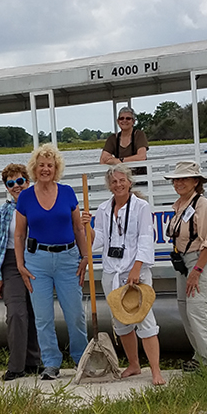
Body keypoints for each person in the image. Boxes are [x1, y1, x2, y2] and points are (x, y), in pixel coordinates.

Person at [82, 164, 165, 385]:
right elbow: (97, 240)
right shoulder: (103, 210)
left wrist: (137, 268)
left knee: (145, 320)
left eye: (122, 180)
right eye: (114, 182)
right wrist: (86, 227)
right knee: (121, 321)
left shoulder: (141, 207)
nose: (118, 185)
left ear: (129, 182)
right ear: (109, 186)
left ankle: (156, 370)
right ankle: (134, 364)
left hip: (133, 270)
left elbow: (146, 239)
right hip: (112, 271)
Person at [14, 143, 88, 381]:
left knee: (75, 314)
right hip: (37, 261)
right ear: (34, 168)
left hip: (68, 258)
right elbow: (19, 235)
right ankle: (51, 363)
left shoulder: (67, 192)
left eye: (50, 165)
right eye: (41, 165)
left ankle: (81, 358)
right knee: (43, 317)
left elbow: (78, 227)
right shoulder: (25, 197)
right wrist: (20, 264)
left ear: (56, 168)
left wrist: (85, 256)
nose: (45, 169)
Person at [163, 160, 207, 370]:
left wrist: (197, 270)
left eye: (183, 178)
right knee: (184, 308)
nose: (178, 183)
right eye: (176, 179)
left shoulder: (202, 204)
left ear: (196, 181)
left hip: (202, 258)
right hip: (184, 260)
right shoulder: (180, 204)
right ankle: (200, 356)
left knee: (198, 309)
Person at [0, 163, 42, 381]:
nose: (16, 186)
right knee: (16, 313)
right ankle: (16, 366)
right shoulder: (3, 211)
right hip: (11, 262)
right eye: (11, 183)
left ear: (28, 182)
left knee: (36, 312)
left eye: (20, 181)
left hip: (36, 259)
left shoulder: (39, 204)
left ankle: (34, 361)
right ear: (7, 188)